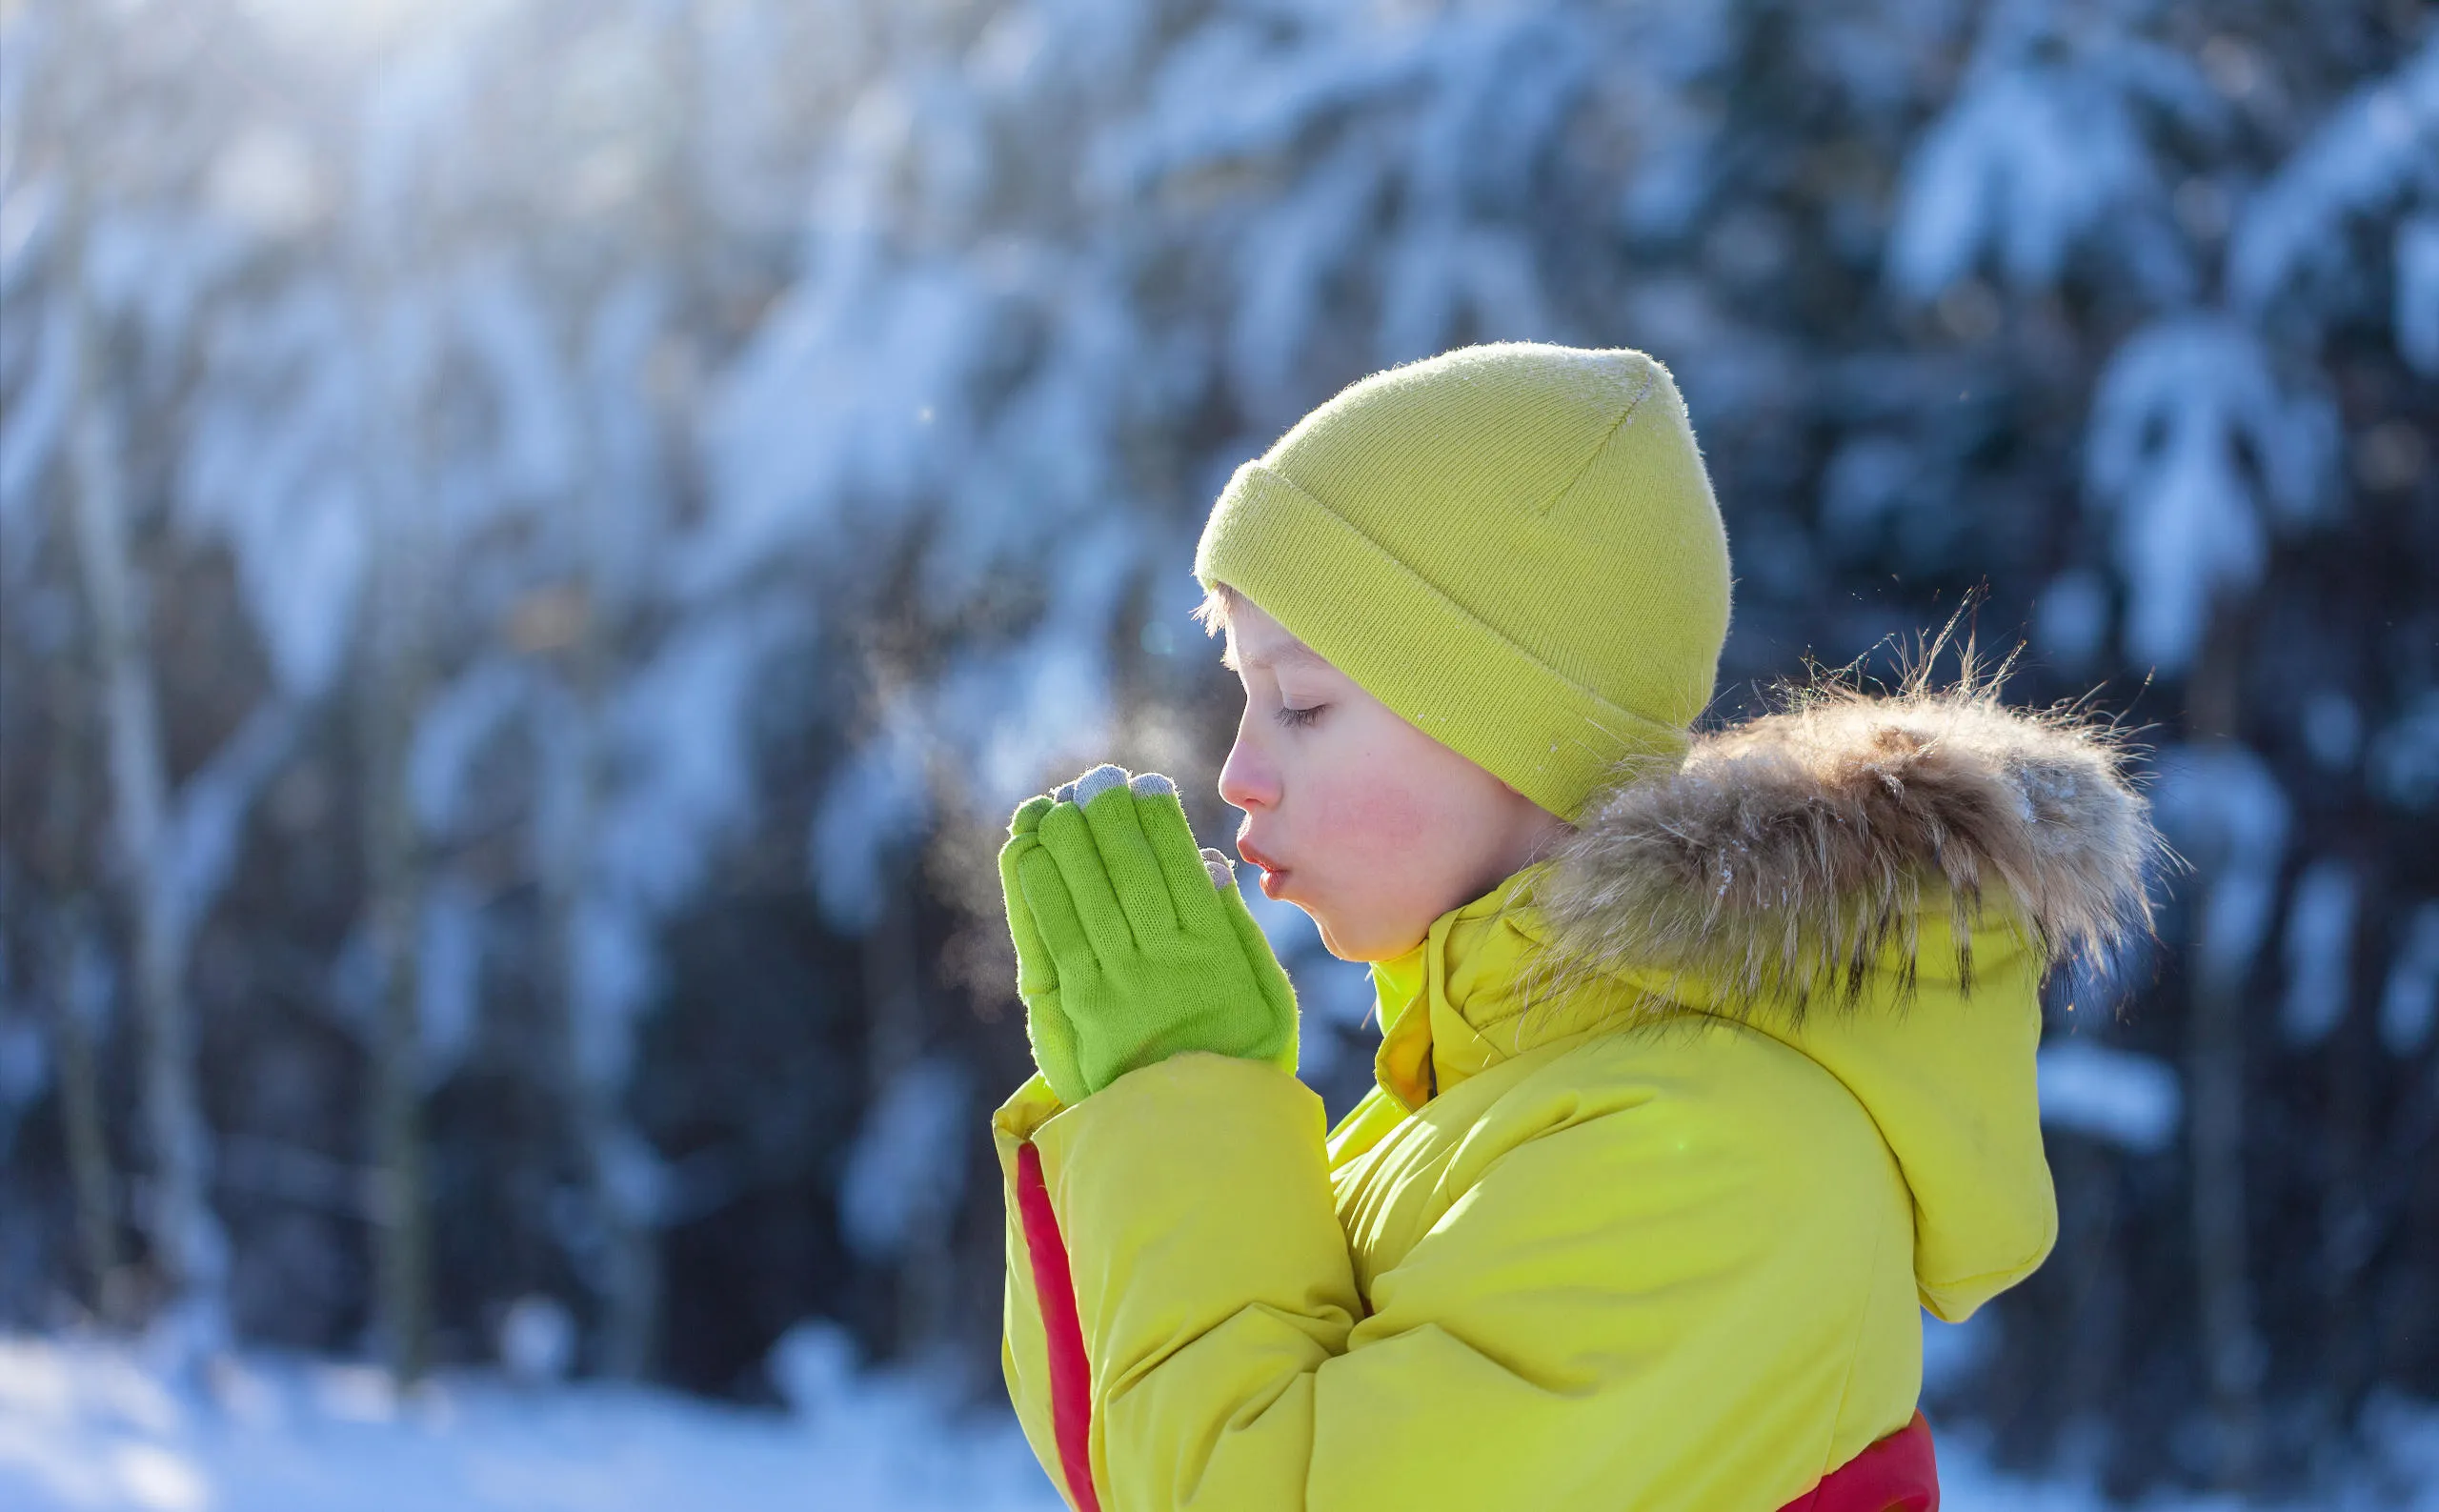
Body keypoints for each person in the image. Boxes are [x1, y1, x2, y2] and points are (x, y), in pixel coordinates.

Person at [990, 342, 2158, 1511]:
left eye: (1301, 704)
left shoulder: (1719, 1160)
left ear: (1511, 724)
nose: (1240, 772)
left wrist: (1183, 1101)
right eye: (1243, 699)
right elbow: (1136, 1462)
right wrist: (1130, 1108)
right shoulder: (1462, 1114)